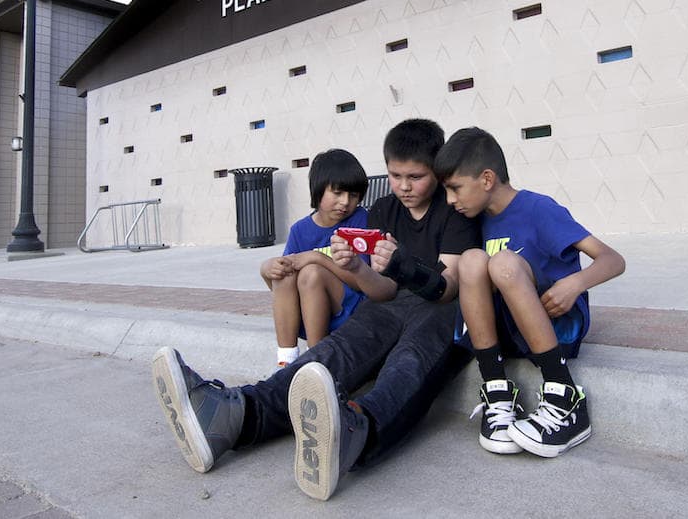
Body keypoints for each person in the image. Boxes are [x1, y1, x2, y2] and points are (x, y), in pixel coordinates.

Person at [151, 118, 480, 500]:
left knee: (408, 361)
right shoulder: (385, 211)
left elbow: (447, 288)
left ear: (437, 173)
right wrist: (356, 267)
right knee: (333, 351)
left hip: (445, 311)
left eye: (416, 176)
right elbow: (384, 291)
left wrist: (403, 265)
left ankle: (355, 432)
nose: (404, 186)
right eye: (394, 175)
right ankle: (234, 416)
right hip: (393, 303)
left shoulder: (455, 207)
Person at [433, 126, 625, 457]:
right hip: (509, 330)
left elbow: (613, 259)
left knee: (504, 263)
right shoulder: (476, 220)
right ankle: (496, 391)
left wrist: (575, 283)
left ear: (487, 179)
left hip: (556, 324)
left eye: (455, 188)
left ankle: (564, 394)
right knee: (472, 260)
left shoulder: (538, 209)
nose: (450, 200)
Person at [259, 148, 369, 368]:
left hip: (349, 308)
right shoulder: (300, 230)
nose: (345, 202)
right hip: (308, 313)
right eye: (337, 193)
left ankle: (317, 359)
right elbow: (282, 286)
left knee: (311, 272)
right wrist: (266, 269)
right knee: (284, 271)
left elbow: (362, 281)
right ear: (318, 191)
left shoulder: (359, 219)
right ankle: (286, 361)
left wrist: (316, 258)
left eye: (354, 195)